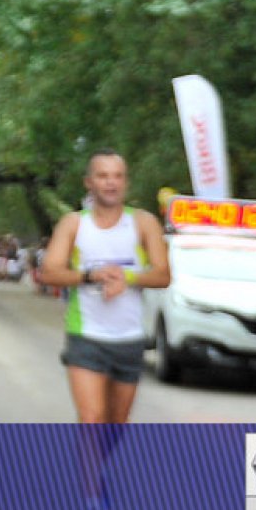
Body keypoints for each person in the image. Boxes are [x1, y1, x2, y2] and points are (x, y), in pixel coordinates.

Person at [41, 150, 170, 424]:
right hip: (86, 337)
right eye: (103, 176)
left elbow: (163, 276)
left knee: (116, 424)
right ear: (89, 182)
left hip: (129, 339)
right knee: (92, 419)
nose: (111, 183)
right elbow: (50, 272)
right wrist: (91, 276)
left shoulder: (143, 223)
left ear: (126, 182)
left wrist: (127, 278)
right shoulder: (74, 224)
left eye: (118, 176)